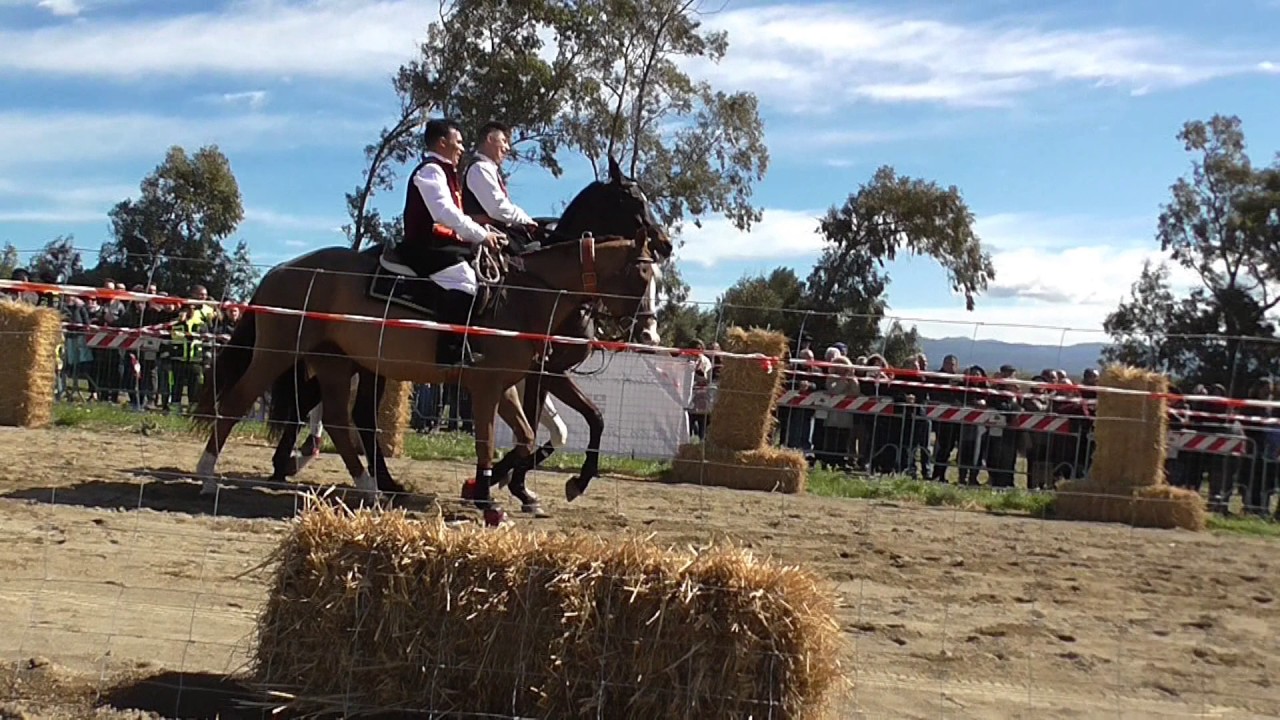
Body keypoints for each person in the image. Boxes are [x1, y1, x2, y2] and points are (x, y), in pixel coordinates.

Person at [394, 118, 505, 366]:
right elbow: (444, 213)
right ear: (443, 142)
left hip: (439, 244)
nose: (463, 149)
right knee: (466, 280)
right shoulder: (431, 170)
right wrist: (482, 235)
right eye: (459, 142)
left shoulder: (444, 171)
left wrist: (482, 231)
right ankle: (450, 352)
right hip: (424, 247)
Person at [463, 121, 541, 253]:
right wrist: (525, 220)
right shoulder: (480, 168)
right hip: (490, 236)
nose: (507, 148)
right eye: (504, 141)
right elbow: (497, 208)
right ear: (490, 139)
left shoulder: (487, 168)